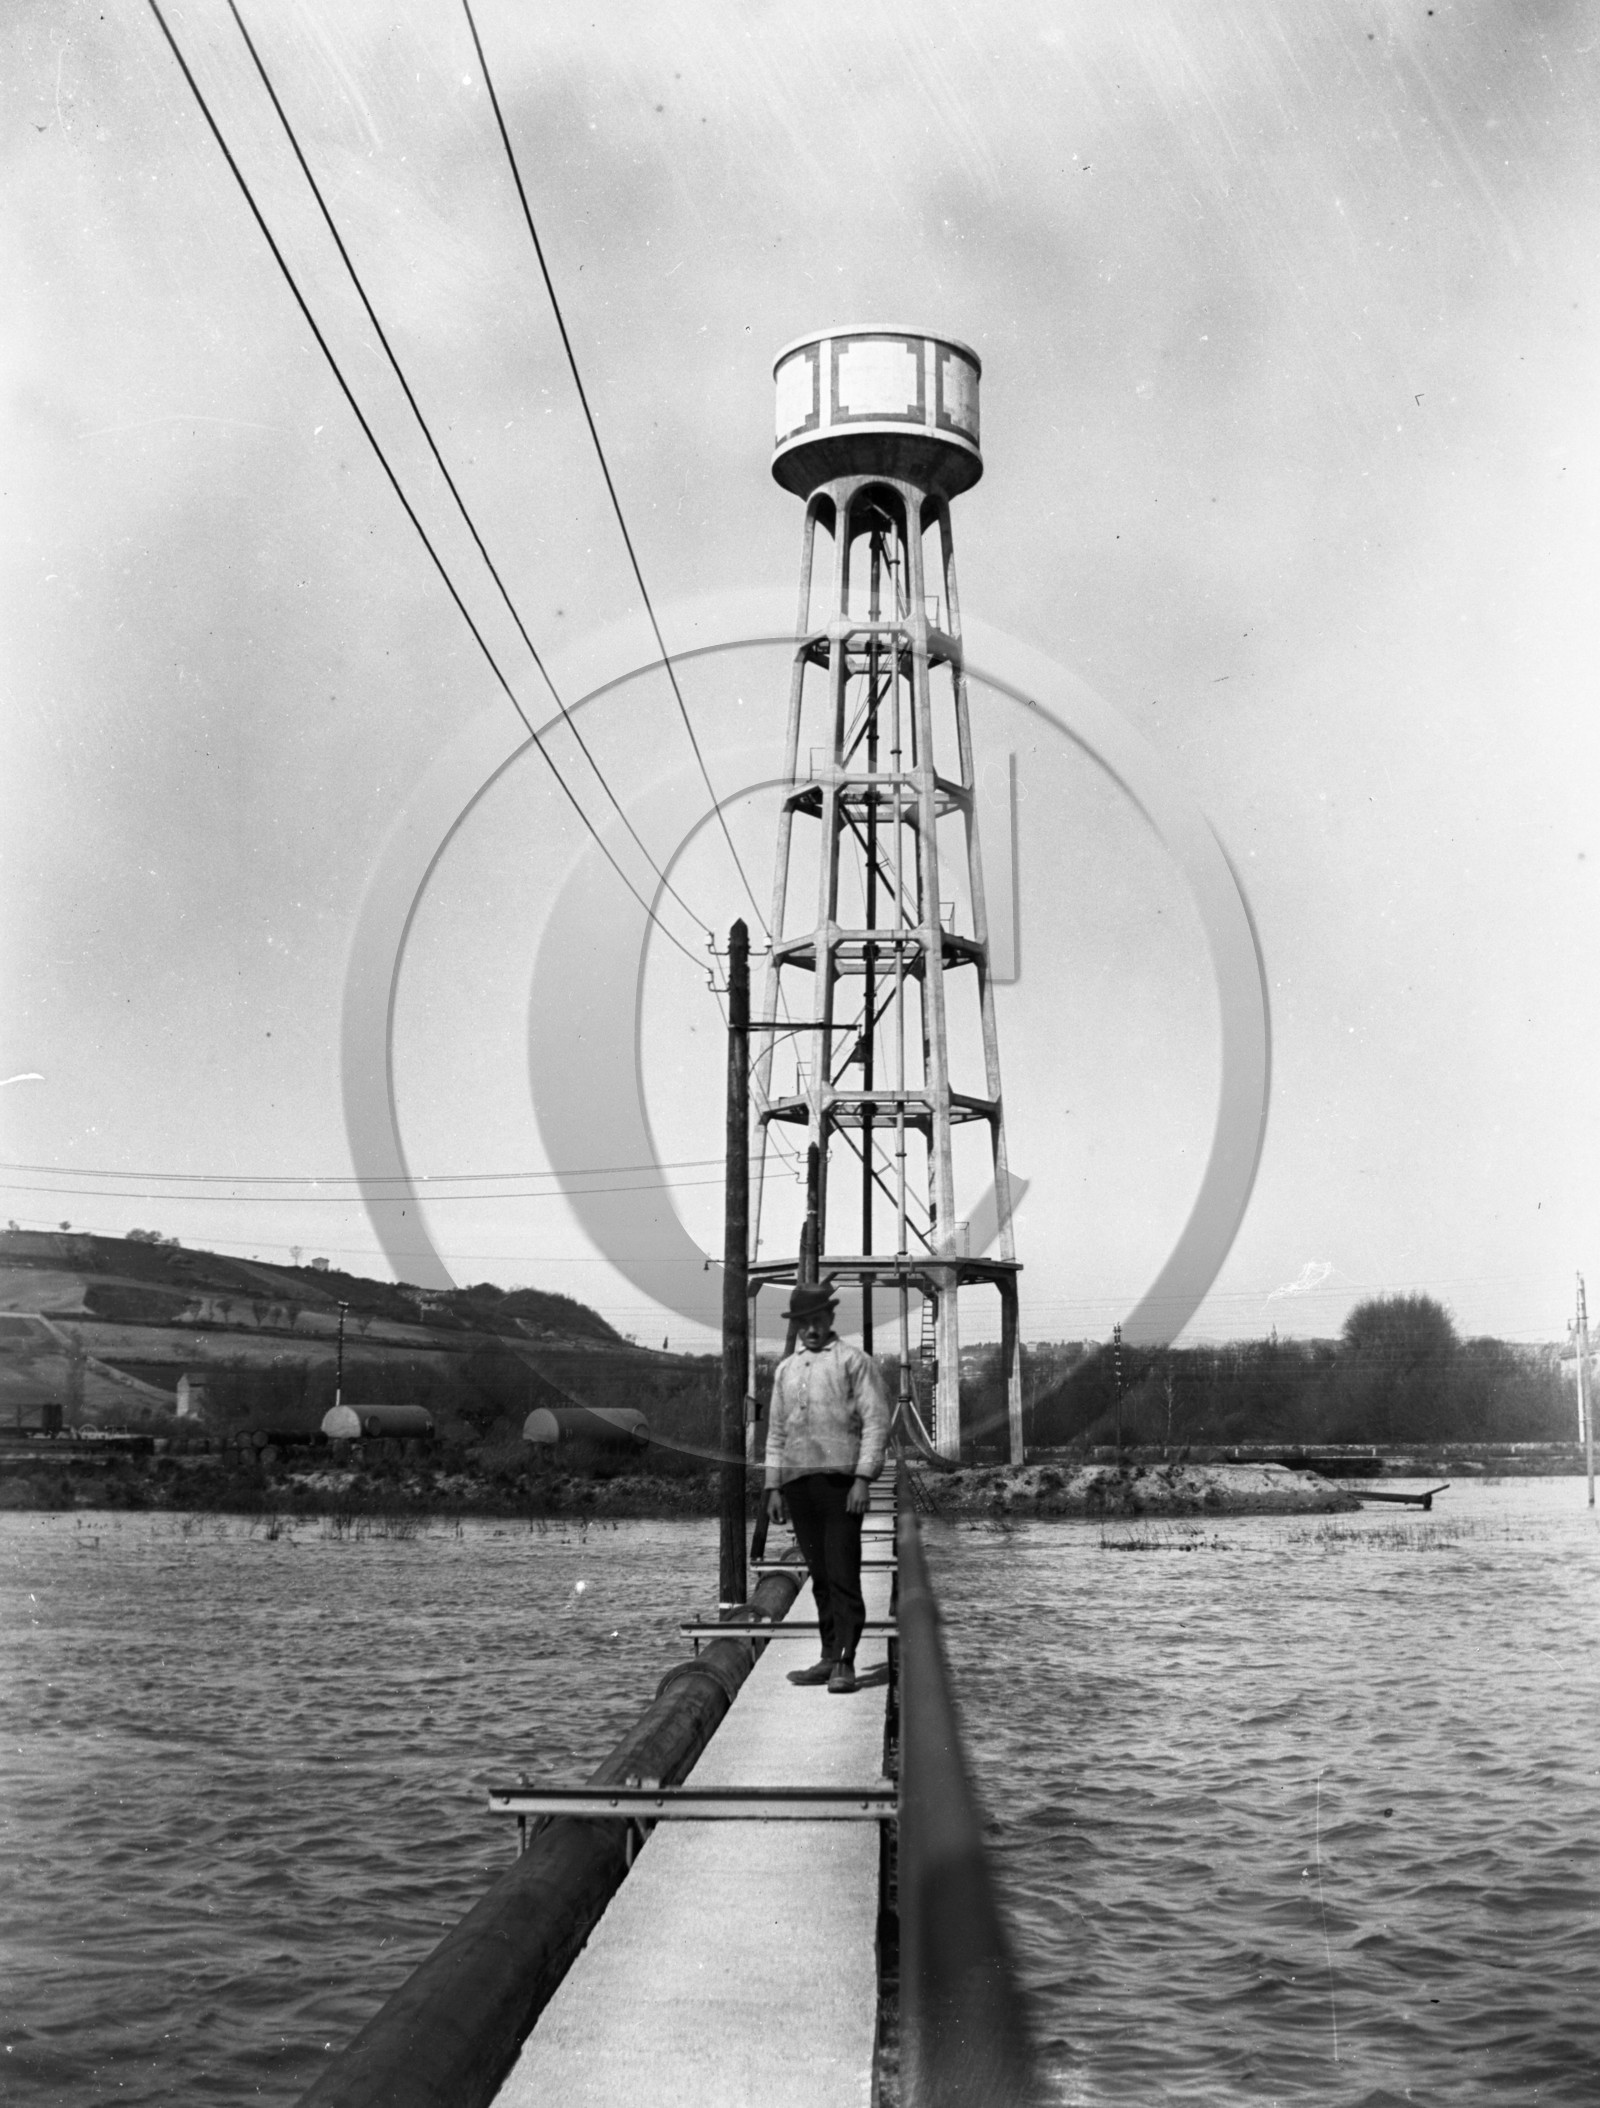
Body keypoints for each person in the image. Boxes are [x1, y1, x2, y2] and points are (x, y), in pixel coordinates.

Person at [763, 1278, 890, 1695]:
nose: (812, 1329)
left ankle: (846, 1661)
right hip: (799, 1485)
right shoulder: (785, 1370)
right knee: (818, 1574)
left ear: (831, 1317)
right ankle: (827, 1653)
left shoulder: (854, 1362)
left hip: (840, 1486)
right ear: (796, 1325)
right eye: (804, 1322)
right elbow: (776, 1432)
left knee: (842, 1573)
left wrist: (862, 1479)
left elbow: (875, 1423)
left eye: (818, 1320)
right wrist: (774, 1488)